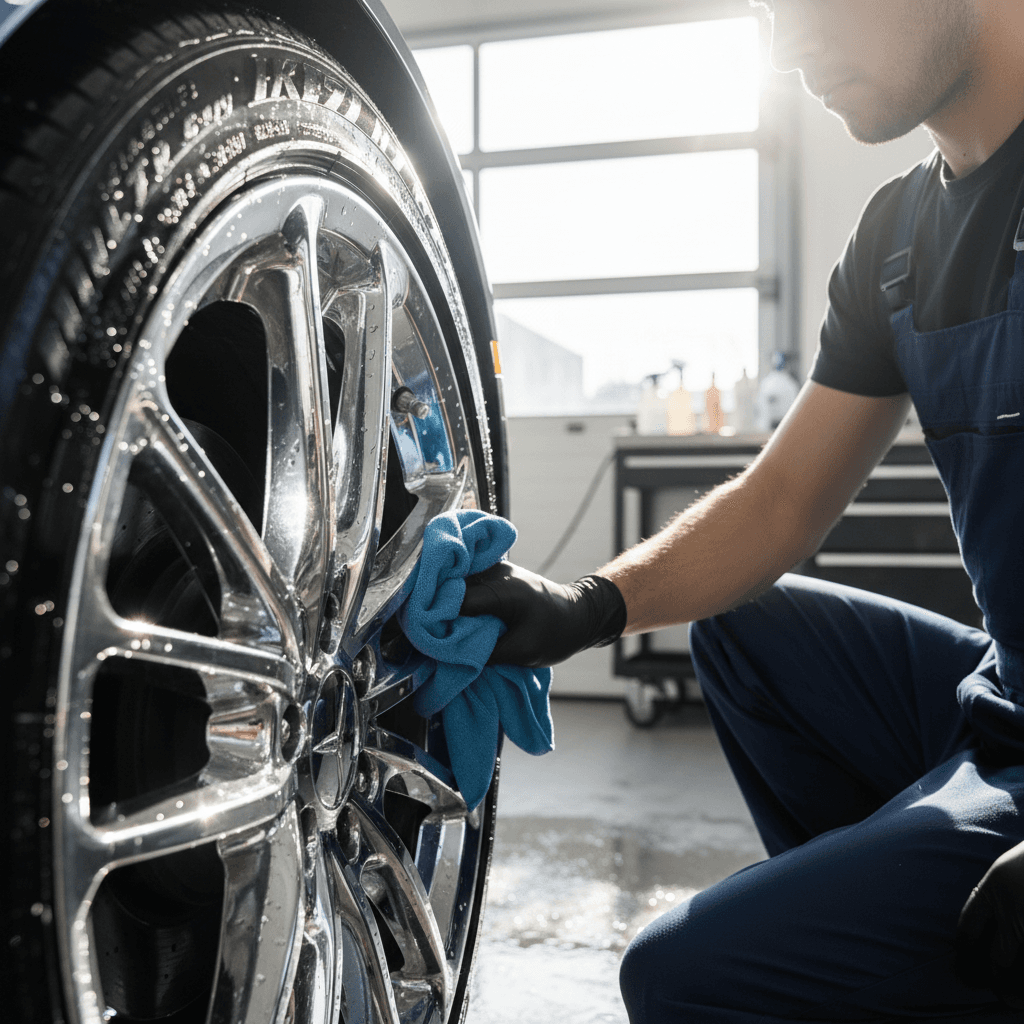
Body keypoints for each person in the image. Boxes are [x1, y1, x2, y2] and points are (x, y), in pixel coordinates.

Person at [460, 1, 1024, 1019]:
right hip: (1002, 695)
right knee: (743, 622)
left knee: (684, 974)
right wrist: (586, 607)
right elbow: (779, 504)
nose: (787, 45)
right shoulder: (897, 239)